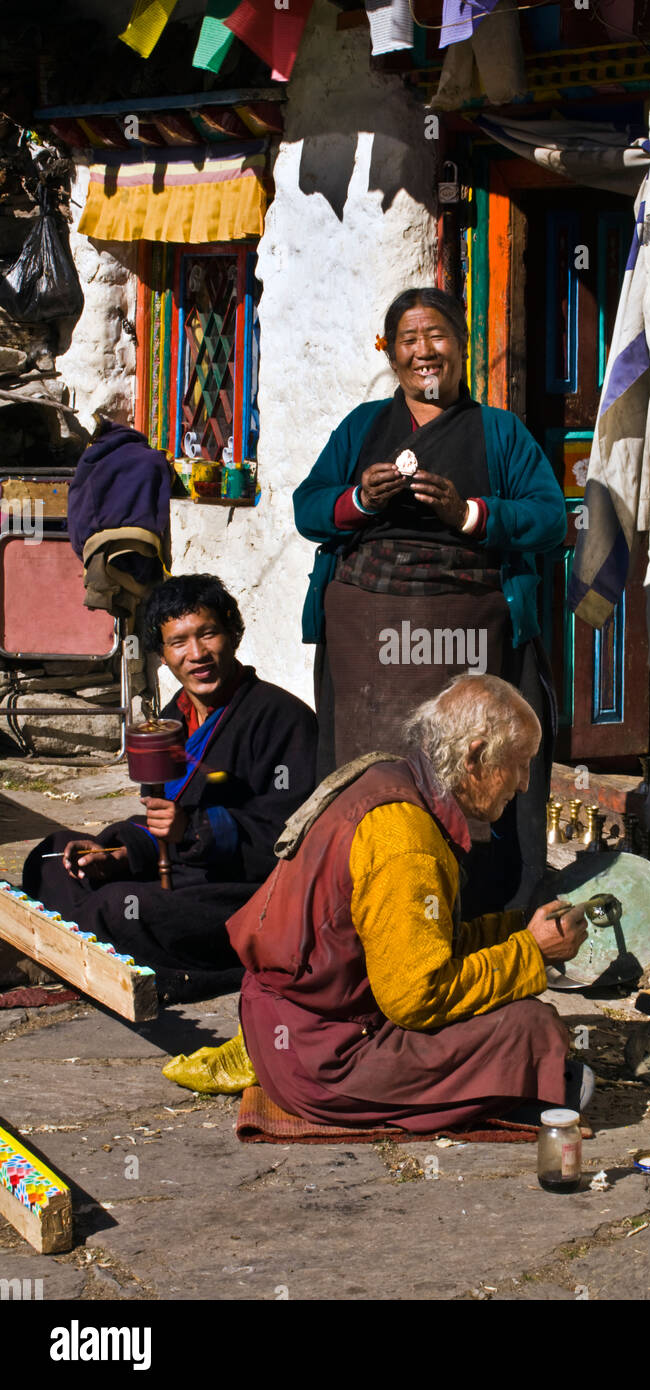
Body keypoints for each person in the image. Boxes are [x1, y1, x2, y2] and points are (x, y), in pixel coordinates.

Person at [292, 287, 566, 916]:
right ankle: (362, 893)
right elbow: (310, 508)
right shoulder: (363, 427)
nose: (424, 351)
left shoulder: (500, 432)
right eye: (408, 340)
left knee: (474, 766)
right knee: (371, 764)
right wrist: (360, 499)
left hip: (470, 632)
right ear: (390, 353)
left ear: (462, 346)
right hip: (370, 638)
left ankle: (488, 901)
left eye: (436, 336)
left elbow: (549, 519)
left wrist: (465, 512)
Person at [225, 674, 594, 1133]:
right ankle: (522, 1087)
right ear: (476, 757)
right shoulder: (406, 839)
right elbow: (415, 999)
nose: (522, 785)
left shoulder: (391, 777)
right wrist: (532, 953)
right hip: (327, 1061)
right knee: (531, 1029)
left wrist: (518, 928)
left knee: (516, 1016)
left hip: (292, 1034)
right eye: (519, 765)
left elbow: (426, 942)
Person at [24, 575, 318, 1003]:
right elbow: (159, 817)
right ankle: (87, 937)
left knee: (119, 908)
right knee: (51, 854)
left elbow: (290, 842)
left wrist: (195, 830)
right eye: (178, 642)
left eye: (208, 633)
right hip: (176, 870)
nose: (196, 654)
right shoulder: (171, 719)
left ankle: (92, 944)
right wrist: (121, 853)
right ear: (162, 655)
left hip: (244, 893)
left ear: (232, 635)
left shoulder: (281, 718)